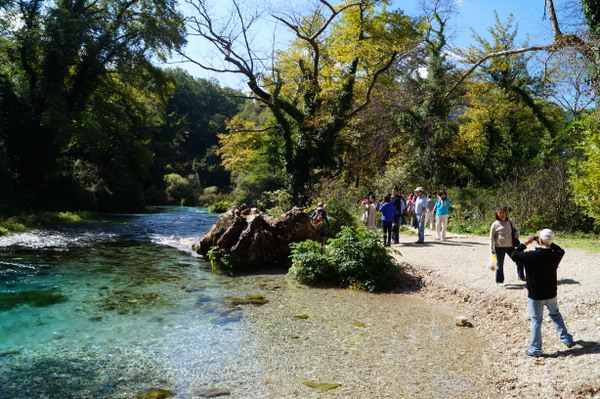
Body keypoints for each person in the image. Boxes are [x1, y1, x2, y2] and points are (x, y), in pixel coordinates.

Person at [511, 229, 575, 357]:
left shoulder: (530, 256)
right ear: (550, 241)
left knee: (536, 321)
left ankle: (535, 350)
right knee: (555, 314)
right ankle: (566, 338)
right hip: (551, 293)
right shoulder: (555, 254)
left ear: (539, 240)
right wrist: (544, 240)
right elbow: (560, 250)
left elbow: (514, 254)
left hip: (535, 295)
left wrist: (525, 243)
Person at [489, 207, 525, 285]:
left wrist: (517, 234)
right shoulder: (495, 224)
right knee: (499, 265)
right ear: (497, 215)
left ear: (505, 213)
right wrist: (491, 248)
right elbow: (491, 238)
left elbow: (516, 229)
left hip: (510, 246)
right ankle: (499, 281)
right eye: (500, 213)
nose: (502, 214)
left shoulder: (510, 221)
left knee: (519, 259)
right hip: (499, 247)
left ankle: (521, 275)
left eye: (503, 212)